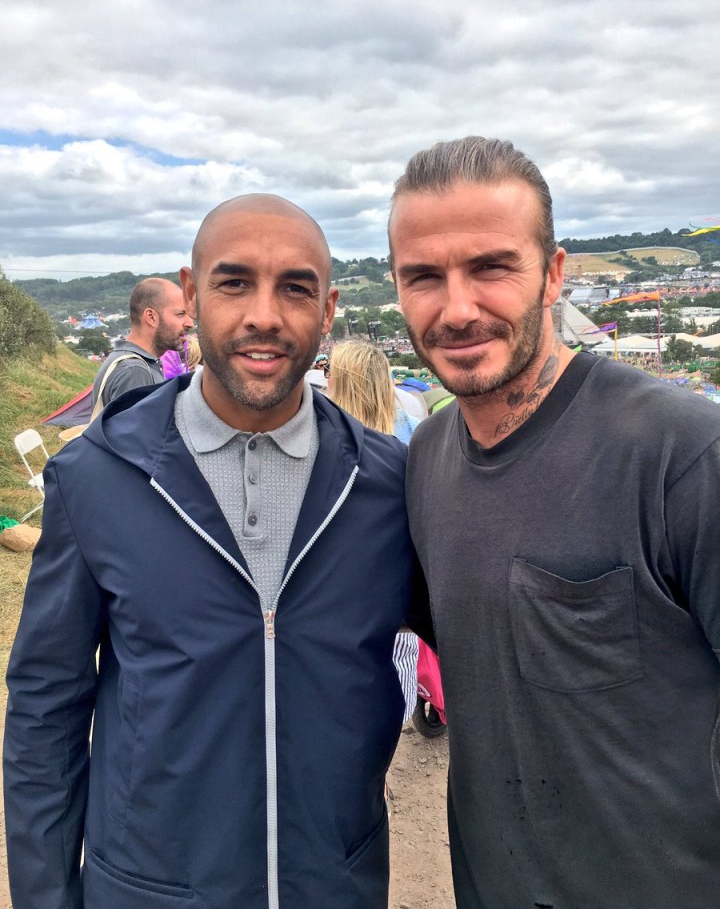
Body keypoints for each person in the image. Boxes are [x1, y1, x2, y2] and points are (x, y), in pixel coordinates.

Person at [4, 193, 430, 909]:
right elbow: (46, 708)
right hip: (147, 891)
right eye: (235, 283)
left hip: (335, 887)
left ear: (326, 313)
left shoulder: (386, 484)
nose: (264, 314)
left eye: (294, 288)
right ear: (192, 296)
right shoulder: (96, 480)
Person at [389, 135, 720, 909]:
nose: (458, 307)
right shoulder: (427, 459)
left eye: (492, 267)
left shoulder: (679, 452)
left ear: (555, 273)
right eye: (425, 277)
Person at [327, 339, 420, 723]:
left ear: (340, 382)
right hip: (398, 613)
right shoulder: (414, 433)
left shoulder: (322, 444)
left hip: (336, 616)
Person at [91, 277, 193, 409]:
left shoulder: (129, 362)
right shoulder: (134, 371)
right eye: (180, 314)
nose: (190, 323)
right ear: (151, 317)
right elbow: (134, 429)